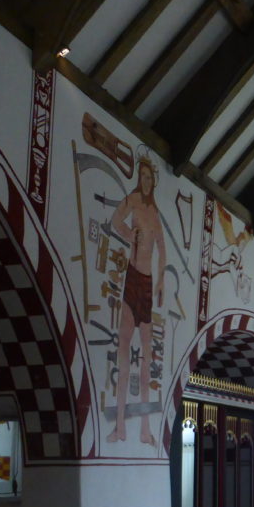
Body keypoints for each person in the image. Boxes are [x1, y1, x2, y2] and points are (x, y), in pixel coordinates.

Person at [107, 152, 165, 446]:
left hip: (147, 285)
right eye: (142, 176)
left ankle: (144, 429)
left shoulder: (154, 214)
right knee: (124, 350)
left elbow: (163, 250)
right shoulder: (131, 201)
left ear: (153, 181)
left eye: (149, 177)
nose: (145, 181)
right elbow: (116, 219)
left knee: (146, 357)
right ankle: (119, 427)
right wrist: (129, 234)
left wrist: (162, 281)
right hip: (132, 278)